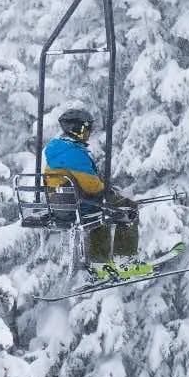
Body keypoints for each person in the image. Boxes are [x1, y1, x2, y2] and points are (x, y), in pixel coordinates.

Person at [43, 108, 151, 282]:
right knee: (127, 209)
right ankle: (124, 260)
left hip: (60, 206)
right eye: (87, 129)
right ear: (78, 129)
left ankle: (100, 263)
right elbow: (93, 186)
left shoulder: (58, 150)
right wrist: (107, 190)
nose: (88, 133)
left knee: (102, 210)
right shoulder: (75, 154)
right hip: (78, 206)